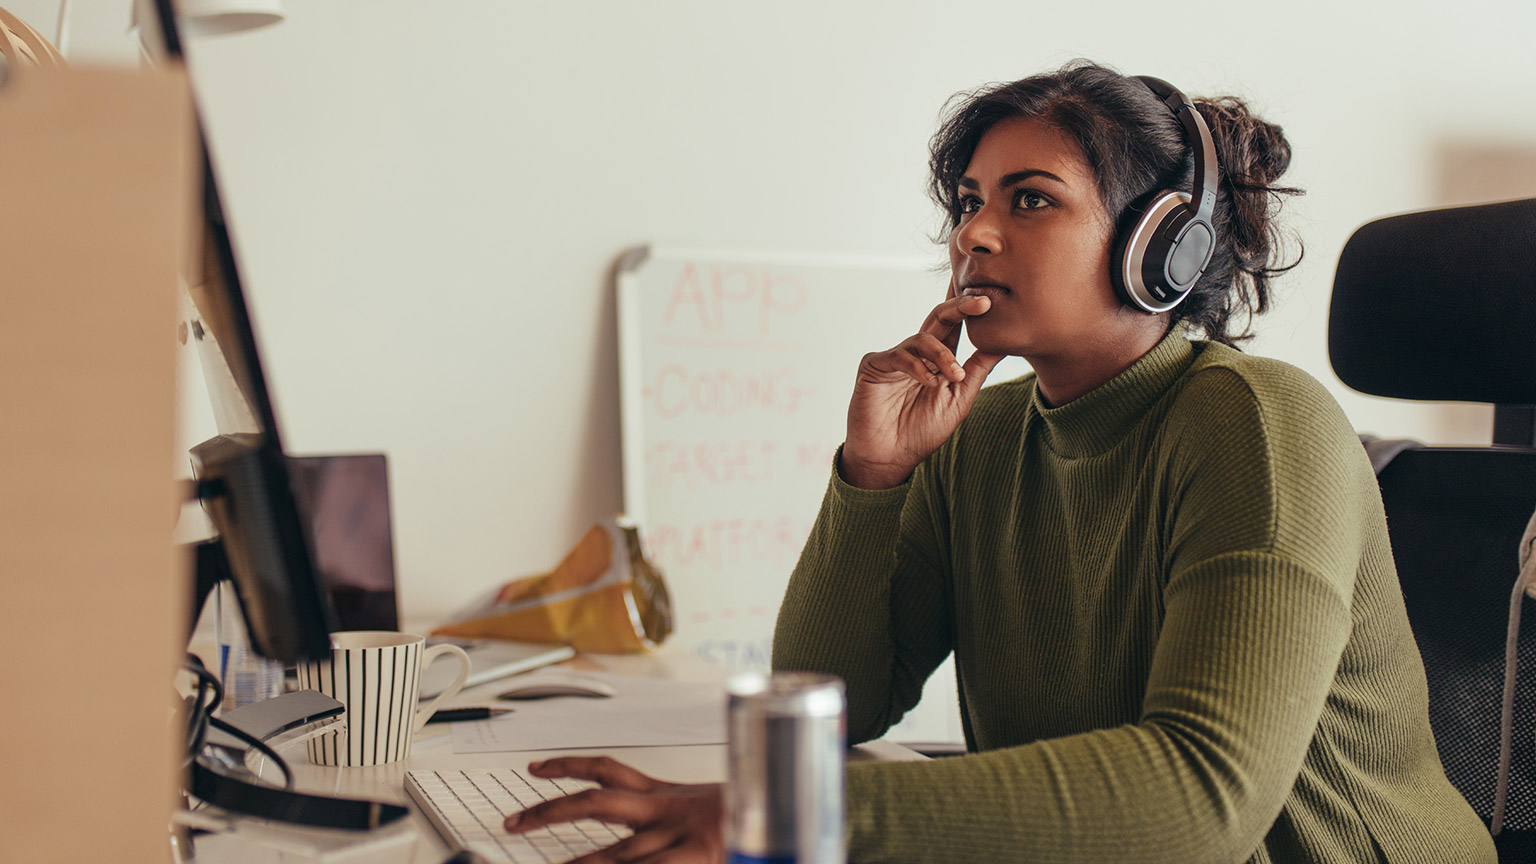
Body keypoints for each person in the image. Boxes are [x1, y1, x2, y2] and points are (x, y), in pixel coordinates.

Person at [504, 61, 1496, 863]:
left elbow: (1204, 800)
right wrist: (872, 475)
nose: (973, 233)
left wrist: (802, 812)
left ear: (1164, 250)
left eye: (1031, 201)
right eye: (971, 201)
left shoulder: (1258, 425)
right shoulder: (979, 434)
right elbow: (830, 703)